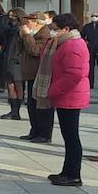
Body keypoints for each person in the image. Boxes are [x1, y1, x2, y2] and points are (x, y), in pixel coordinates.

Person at [45, 14, 89, 186]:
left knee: (71, 137)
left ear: (66, 29)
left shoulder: (73, 45)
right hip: (66, 95)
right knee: (68, 136)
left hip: (70, 96)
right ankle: (67, 171)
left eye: (55, 29)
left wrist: (53, 90)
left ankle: (73, 175)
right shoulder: (64, 43)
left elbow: (74, 74)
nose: (53, 32)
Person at [21, 12, 57, 144]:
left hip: (40, 74)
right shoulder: (33, 33)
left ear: (38, 23)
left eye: (30, 21)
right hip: (31, 74)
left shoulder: (44, 34)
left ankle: (45, 134)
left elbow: (35, 51)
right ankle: (35, 130)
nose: (27, 23)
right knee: (32, 104)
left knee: (41, 105)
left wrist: (27, 36)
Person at [0, 9, 28, 121]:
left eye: (13, 16)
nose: (10, 18)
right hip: (7, 59)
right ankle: (13, 110)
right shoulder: (8, 29)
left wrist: (19, 58)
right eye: (9, 16)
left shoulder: (22, 30)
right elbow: (2, 41)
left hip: (17, 61)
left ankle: (16, 111)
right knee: (10, 86)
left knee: (18, 86)